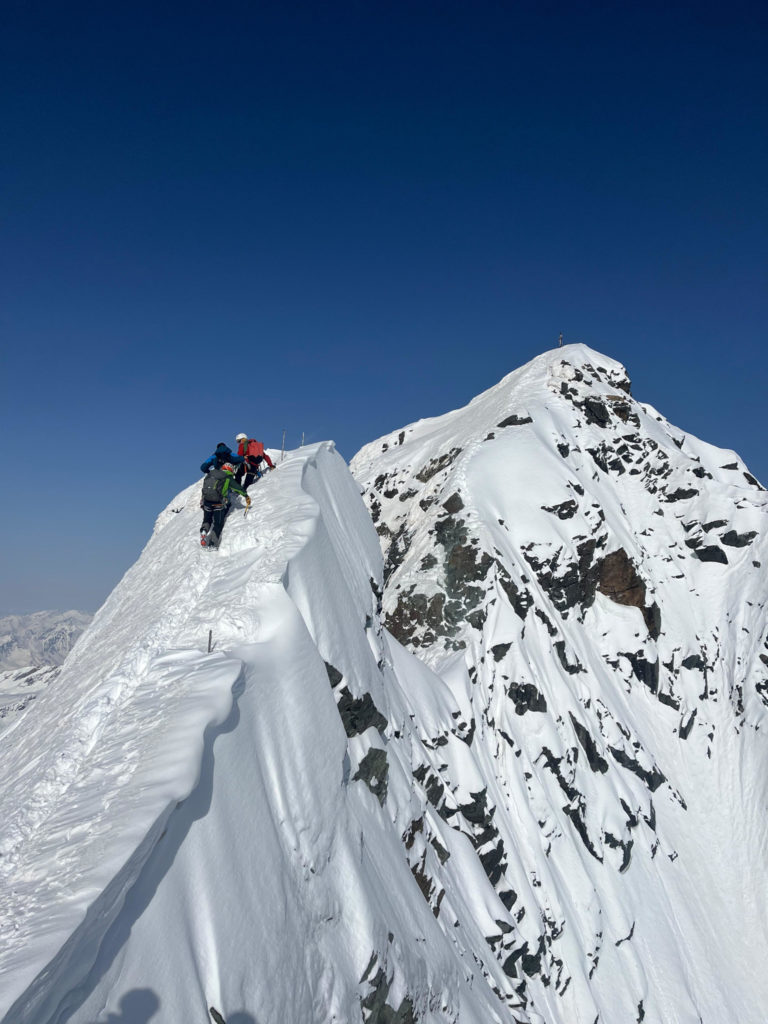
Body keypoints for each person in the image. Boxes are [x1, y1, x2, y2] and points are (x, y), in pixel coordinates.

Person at [200, 463, 250, 548]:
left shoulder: (212, 474)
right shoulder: (228, 478)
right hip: (218, 503)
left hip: (207, 501)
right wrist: (246, 496)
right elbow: (237, 488)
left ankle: (204, 530)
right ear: (231, 470)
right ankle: (212, 544)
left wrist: (203, 500)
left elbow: (205, 487)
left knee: (207, 519)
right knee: (218, 523)